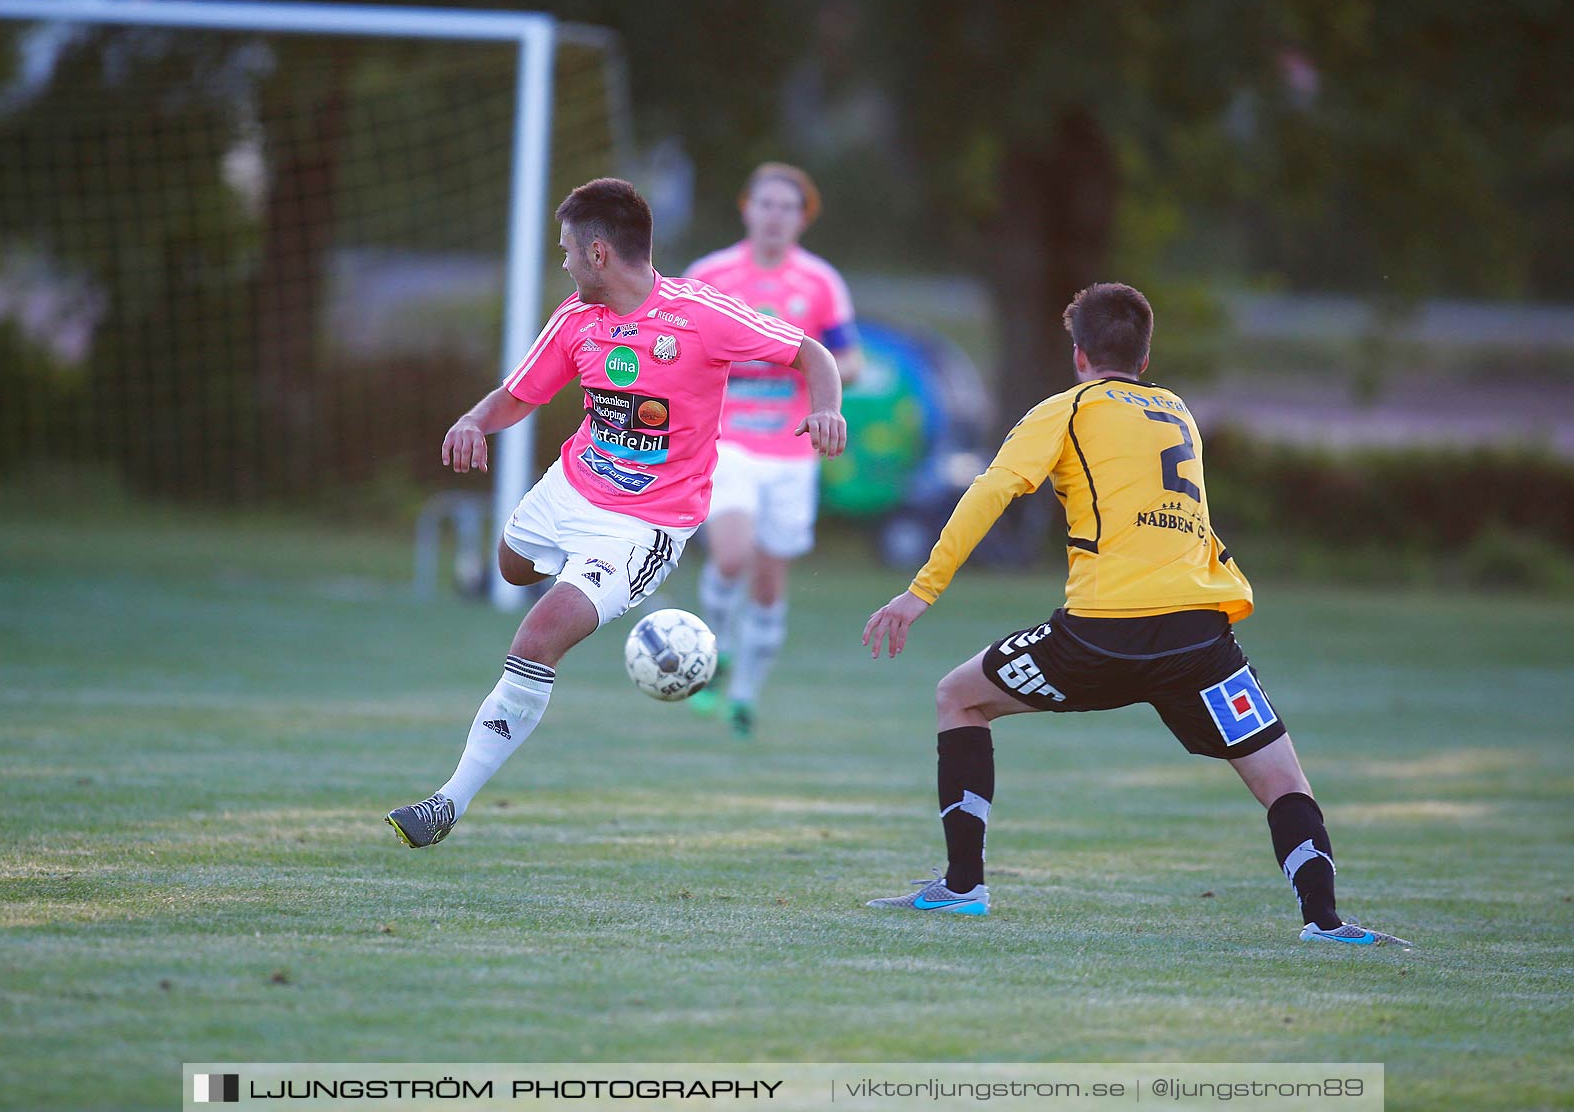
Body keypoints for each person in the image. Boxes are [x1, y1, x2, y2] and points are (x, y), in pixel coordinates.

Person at [860, 282, 1407, 946]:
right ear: (1145, 359)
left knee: (958, 697)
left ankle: (963, 885)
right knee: (1284, 781)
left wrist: (922, 590)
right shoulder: (1177, 412)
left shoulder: (1067, 407)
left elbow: (991, 489)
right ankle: (1325, 921)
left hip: (1099, 638)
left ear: (1078, 353)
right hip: (1199, 641)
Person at [386, 178, 847, 848]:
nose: (564, 262)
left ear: (599, 253)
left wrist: (825, 407)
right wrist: (473, 421)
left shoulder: (701, 315)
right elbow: (521, 394)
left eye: (568, 251)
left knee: (536, 640)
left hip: (645, 525)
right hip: (569, 489)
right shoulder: (576, 319)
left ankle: (446, 803)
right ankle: (579, 582)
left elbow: (812, 351)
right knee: (512, 570)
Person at [681, 163, 863, 737]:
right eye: (766, 203)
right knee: (730, 555)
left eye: (788, 206)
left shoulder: (819, 283)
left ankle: (744, 695)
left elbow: (849, 359)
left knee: (768, 580)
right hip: (725, 441)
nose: (775, 215)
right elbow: (678, 346)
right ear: (746, 208)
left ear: (802, 218)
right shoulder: (710, 274)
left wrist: (807, 370)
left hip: (791, 450)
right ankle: (711, 653)